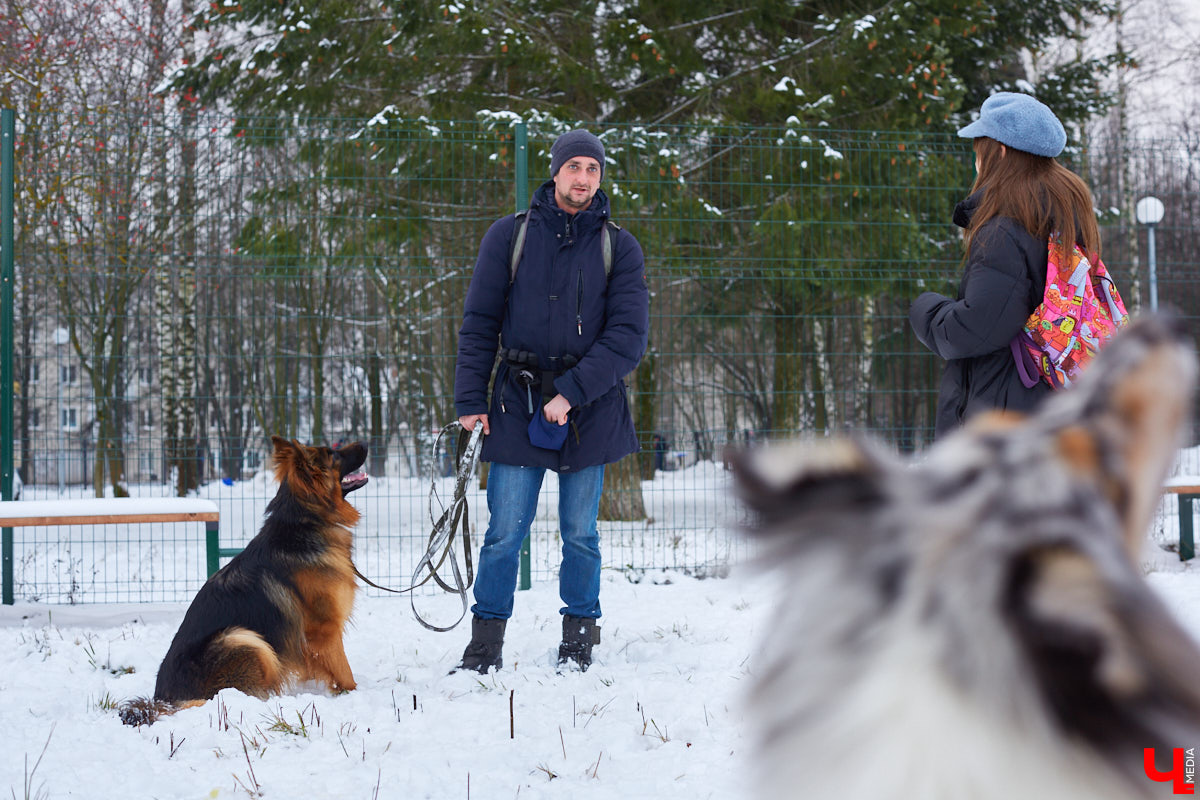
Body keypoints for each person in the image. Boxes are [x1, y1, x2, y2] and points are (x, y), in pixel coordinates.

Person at [453, 128, 650, 673]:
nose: (583, 179)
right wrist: (471, 399)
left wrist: (570, 392)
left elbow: (628, 338)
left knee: (581, 535)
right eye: (574, 167)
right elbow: (479, 324)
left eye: (593, 169)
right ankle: (485, 645)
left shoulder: (620, 246)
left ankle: (580, 640)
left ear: (600, 177)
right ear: (556, 171)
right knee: (502, 534)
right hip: (515, 405)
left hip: (591, 407)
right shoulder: (508, 236)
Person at [909, 92, 1101, 438]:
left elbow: (975, 329)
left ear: (998, 151)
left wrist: (925, 309)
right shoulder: (1064, 222)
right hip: (1053, 410)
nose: (976, 161)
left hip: (1005, 423)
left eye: (978, 149)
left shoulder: (1004, 231)